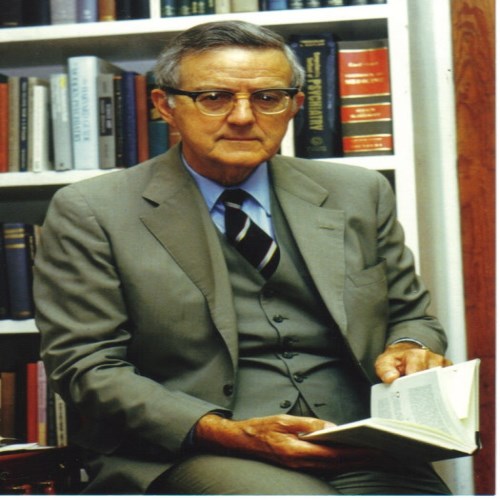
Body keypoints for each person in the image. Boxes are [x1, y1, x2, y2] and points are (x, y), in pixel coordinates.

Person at [33, 20, 453, 495]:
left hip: (356, 442)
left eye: (268, 98)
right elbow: (87, 367)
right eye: (213, 97)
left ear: (295, 106)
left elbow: (411, 317)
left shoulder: (359, 192)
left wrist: (409, 348)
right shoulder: (92, 210)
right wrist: (227, 431)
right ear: (165, 106)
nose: (242, 116)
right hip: (194, 450)